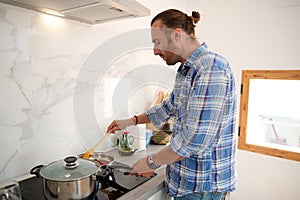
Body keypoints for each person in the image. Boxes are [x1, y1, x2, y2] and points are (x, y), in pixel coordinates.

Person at [106, 9, 237, 200]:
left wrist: (150, 162)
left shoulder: (211, 67)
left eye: (157, 42)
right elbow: (168, 107)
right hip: (187, 184)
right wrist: (131, 121)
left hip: (200, 188)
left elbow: (195, 140)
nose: (155, 51)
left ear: (177, 34)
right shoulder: (186, 69)